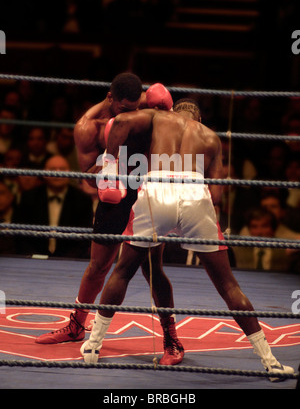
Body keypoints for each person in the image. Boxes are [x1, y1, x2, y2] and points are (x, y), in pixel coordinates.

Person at [81, 98, 294, 381]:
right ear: (199, 117)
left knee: (123, 270)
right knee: (228, 285)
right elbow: (216, 196)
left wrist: (109, 164)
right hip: (195, 193)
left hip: (157, 189)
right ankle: (271, 363)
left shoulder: (159, 118)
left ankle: (93, 347)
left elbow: (119, 122)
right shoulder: (210, 137)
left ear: (174, 112)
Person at [35, 74, 183, 366]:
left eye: (133, 108)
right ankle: (77, 325)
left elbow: (177, 127)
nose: (128, 115)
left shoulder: (149, 105)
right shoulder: (90, 127)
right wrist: (108, 169)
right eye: (122, 109)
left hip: (147, 194)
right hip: (114, 195)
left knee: (153, 270)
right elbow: (88, 177)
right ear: (111, 99)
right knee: (98, 266)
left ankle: (171, 337)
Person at [15, 155, 93, 259]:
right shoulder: (29, 197)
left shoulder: (83, 200)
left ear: (69, 172)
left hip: (71, 262)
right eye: (52, 169)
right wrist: (34, 257)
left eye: (62, 169)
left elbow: (84, 239)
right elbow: (20, 236)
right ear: (44, 173)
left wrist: (66, 260)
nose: (57, 173)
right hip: (33, 260)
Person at [232, 207, 293, 272]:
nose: (259, 232)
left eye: (264, 226)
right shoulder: (239, 250)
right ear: (249, 229)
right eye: (254, 227)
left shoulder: (284, 250)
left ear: (273, 228)